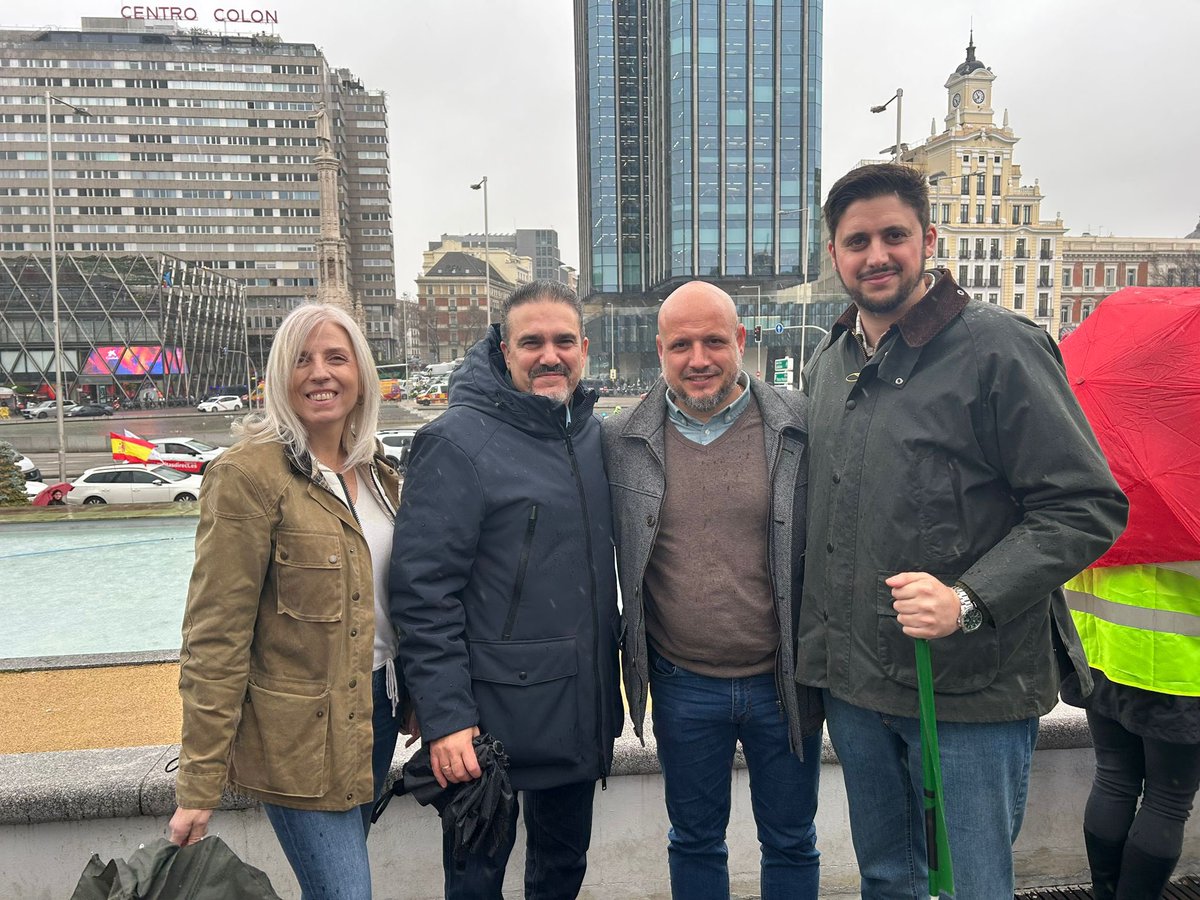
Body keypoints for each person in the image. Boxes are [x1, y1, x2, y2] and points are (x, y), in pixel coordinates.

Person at [797, 162, 1129, 899]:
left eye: (894, 235)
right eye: (857, 241)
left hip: (968, 694)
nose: (876, 254)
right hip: (855, 688)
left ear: (929, 239)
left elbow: (1086, 504)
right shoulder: (830, 361)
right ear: (834, 255)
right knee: (888, 878)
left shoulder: (999, 347)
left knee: (975, 885)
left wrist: (968, 598)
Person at [169, 303, 415, 900]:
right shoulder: (248, 477)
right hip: (297, 741)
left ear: (362, 374)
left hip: (373, 718)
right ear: (280, 376)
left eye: (336, 357)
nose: (320, 373)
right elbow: (215, 635)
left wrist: (417, 694)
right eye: (301, 360)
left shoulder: (380, 478)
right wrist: (199, 783)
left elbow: (393, 608)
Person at [390, 279, 622, 899]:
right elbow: (422, 593)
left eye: (563, 341)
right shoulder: (456, 440)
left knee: (562, 874)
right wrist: (444, 717)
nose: (550, 355)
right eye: (532, 342)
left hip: (578, 710)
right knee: (475, 885)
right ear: (502, 347)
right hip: (483, 727)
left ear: (585, 348)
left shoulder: (597, 436)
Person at [602, 281, 823, 899]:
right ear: (660, 351)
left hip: (782, 682)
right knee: (694, 840)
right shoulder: (622, 441)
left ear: (741, 342)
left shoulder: (796, 424)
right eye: (681, 345)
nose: (698, 359)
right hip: (681, 683)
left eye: (713, 342)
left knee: (791, 840)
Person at [1063, 562, 1200, 899]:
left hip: (1102, 648)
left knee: (1113, 778)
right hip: (1179, 665)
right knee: (1168, 800)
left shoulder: (1115, 505)